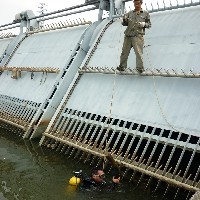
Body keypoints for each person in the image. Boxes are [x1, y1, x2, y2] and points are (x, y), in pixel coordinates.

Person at [117, 0, 151, 73]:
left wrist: (144, 24)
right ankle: (122, 67)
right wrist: (124, 20)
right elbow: (124, 24)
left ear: (141, 3)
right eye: (135, 4)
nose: (136, 5)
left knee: (138, 53)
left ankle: (140, 68)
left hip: (138, 36)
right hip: (128, 35)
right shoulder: (129, 13)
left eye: (138, 3)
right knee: (124, 52)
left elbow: (149, 24)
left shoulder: (145, 13)